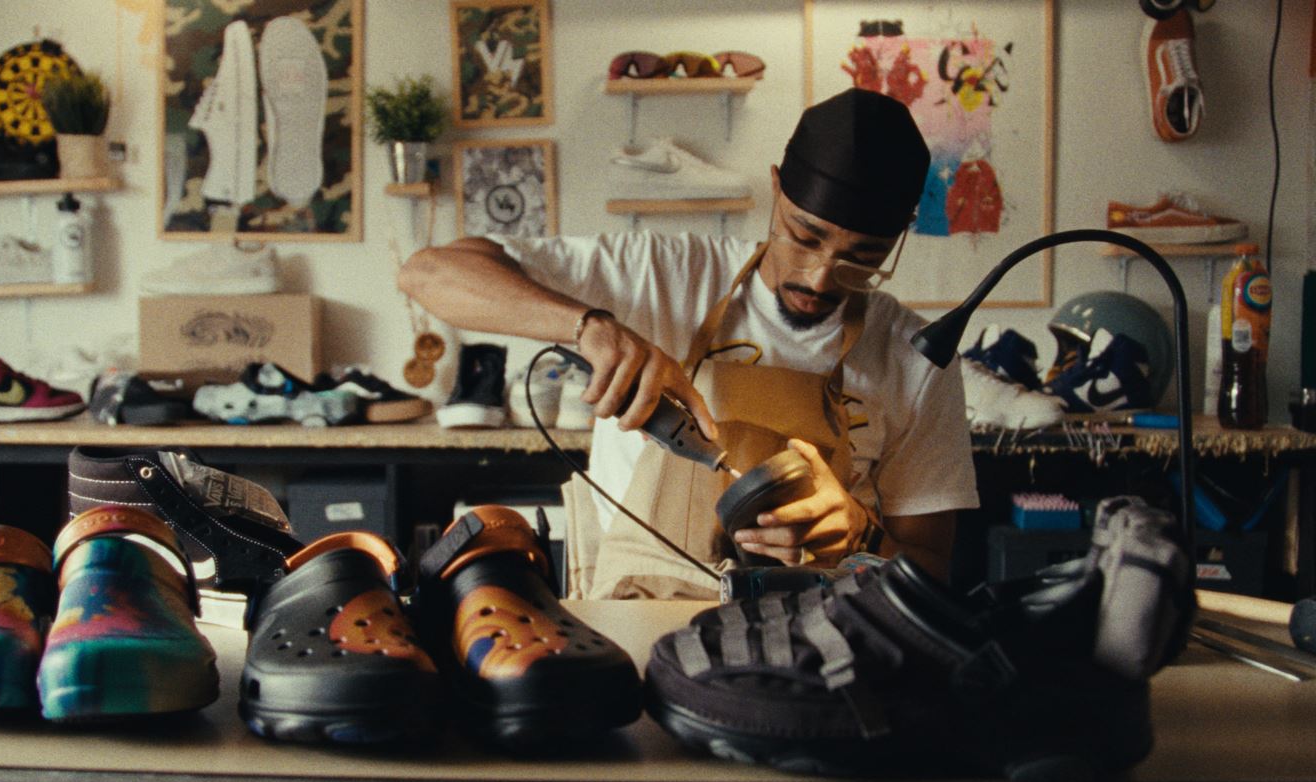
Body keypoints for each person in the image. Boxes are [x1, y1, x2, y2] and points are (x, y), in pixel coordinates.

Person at [399, 88, 979, 599]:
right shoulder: (662, 273)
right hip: (639, 612)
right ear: (777, 189)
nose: (819, 276)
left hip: (818, 639)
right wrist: (589, 326)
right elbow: (428, 273)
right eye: (805, 235)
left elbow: (933, 571)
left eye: (862, 258)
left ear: (899, 237)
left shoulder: (915, 356)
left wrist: (860, 535)